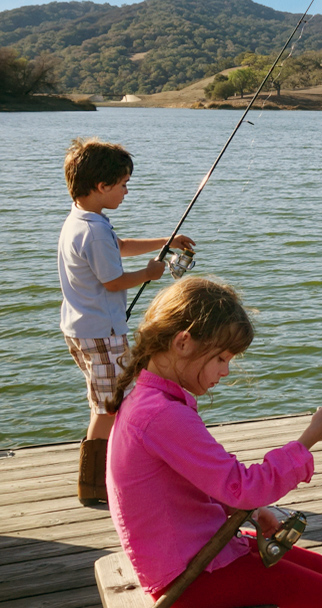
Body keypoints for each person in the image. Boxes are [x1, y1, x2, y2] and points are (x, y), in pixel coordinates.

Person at [105, 277, 322, 608]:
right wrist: (310, 437)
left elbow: (201, 481)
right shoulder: (163, 415)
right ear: (183, 343)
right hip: (186, 578)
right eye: (221, 358)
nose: (225, 371)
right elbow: (242, 486)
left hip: (193, 551)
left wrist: (253, 512)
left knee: (318, 567)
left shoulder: (149, 399)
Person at [58, 136, 195, 505]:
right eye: (123, 185)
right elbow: (113, 280)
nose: (126, 192)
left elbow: (118, 247)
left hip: (82, 329)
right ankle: (96, 484)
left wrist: (166, 241)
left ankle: (101, 478)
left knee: (103, 402)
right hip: (103, 333)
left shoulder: (83, 219)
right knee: (112, 405)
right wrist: (150, 274)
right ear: (102, 186)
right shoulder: (93, 229)